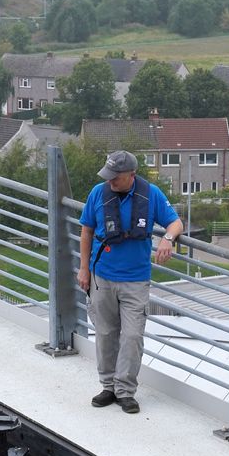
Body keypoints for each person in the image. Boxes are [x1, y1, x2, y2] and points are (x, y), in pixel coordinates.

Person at [77, 151, 183, 414]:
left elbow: (176, 223)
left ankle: (125, 391)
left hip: (136, 279)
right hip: (101, 276)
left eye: (116, 177)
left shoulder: (152, 194)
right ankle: (108, 387)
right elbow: (86, 231)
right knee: (105, 333)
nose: (110, 181)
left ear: (132, 175)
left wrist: (167, 240)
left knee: (133, 336)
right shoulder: (97, 194)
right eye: (108, 177)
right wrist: (83, 270)